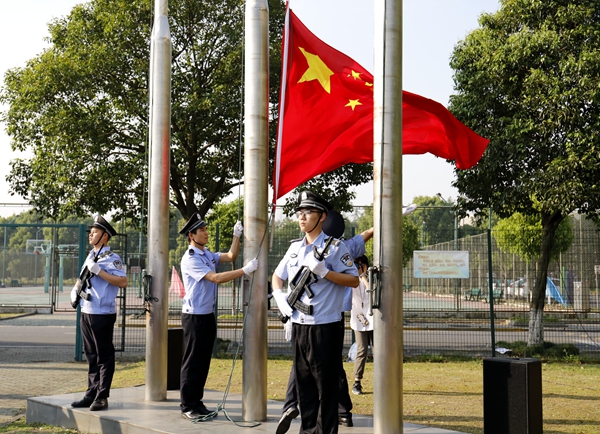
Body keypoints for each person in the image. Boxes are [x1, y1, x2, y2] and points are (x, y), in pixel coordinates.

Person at [272, 191, 359, 434]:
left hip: (325, 326)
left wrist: (325, 272)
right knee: (304, 387)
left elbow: (353, 280)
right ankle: (308, 431)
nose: (302, 217)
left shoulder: (335, 248)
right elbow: (277, 276)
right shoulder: (295, 248)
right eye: (300, 213)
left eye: (308, 212)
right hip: (299, 325)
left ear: (322, 217)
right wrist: (279, 297)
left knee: (326, 389)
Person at [178, 213, 258, 420]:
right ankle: (187, 405)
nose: (206, 233)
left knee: (203, 361)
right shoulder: (191, 258)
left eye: (206, 229)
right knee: (192, 362)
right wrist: (244, 271)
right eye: (201, 230)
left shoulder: (206, 254)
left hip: (207, 315)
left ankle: (197, 402)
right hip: (194, 316)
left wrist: (236, 236)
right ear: (191, 235)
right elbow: (215, 278)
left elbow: (230, 256)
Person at [70, 215, 128, 411]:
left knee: (104, 356)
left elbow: (123, 282)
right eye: (91, 232)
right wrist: (75, 290)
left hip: (102, 313)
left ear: (105, 236)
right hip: (87, 310)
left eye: (95, 232)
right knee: (91, 355)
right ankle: (91, 393)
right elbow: (83, 277)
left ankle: (102, 396)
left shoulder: (112, 258)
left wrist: (100, 272)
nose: (91, 234)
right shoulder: (91, 255)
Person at [349, 255, 373, 395]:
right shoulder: (352, 280)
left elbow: (372, 292)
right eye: (357, 265)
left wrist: (363, 276)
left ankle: (383, 381)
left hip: (373, 319)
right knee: (362, 350)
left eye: (361, 265)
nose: (359, 267)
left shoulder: (372, 279)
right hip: (358, 319)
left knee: (378, 351)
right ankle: (357, 382)